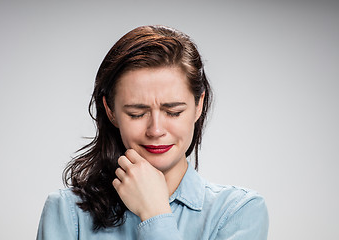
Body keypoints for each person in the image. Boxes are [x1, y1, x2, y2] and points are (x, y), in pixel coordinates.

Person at [36, 25, 269, 240]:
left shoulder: (238, 212)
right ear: (110, 111)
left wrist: (154, 213)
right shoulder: (68, 212)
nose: (156, 130)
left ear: (198, 105)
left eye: (174, 112)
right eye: (137, 113)